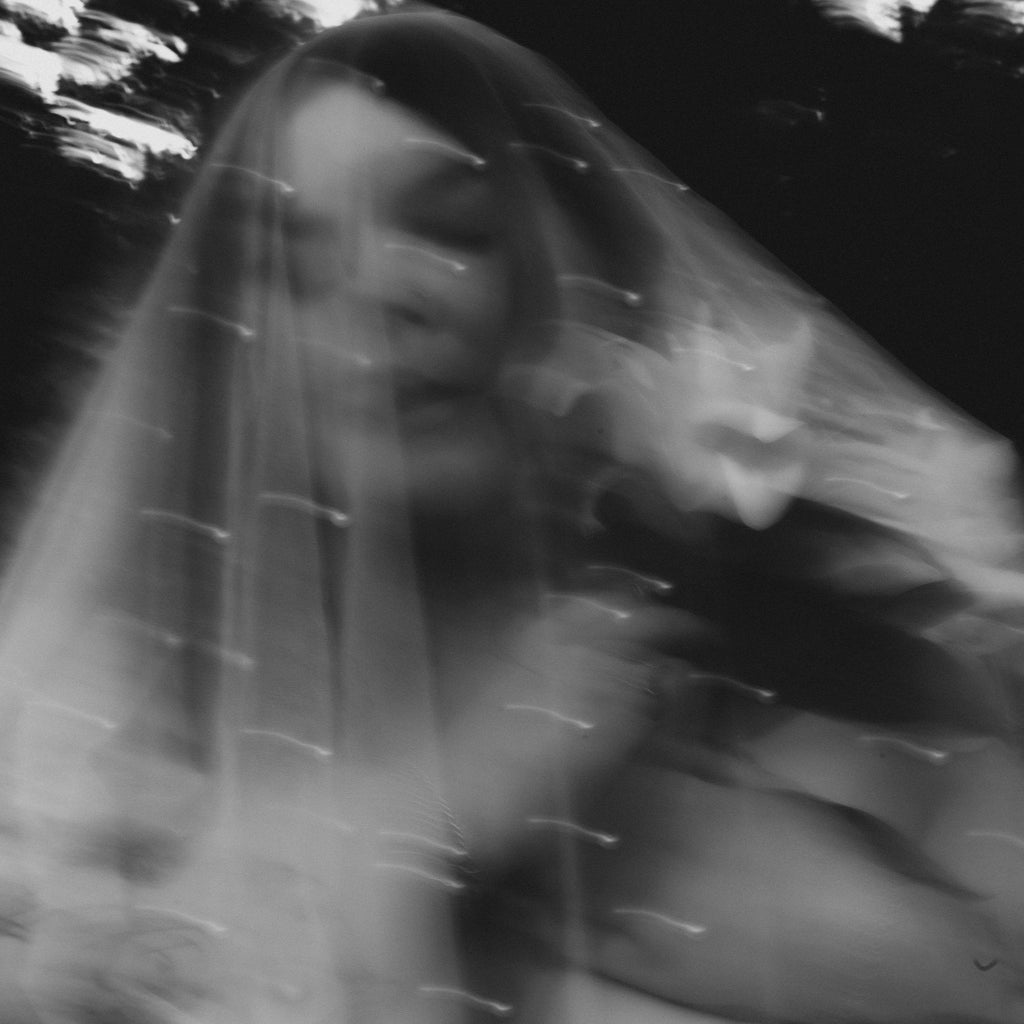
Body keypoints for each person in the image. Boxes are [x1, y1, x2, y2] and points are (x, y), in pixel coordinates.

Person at [0, 4, 1023, 1021]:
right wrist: (448, 813)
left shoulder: (844, 689)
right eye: (292, 262)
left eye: (454, 227)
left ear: (594, 281)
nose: (382, 290)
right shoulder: (93, 734)